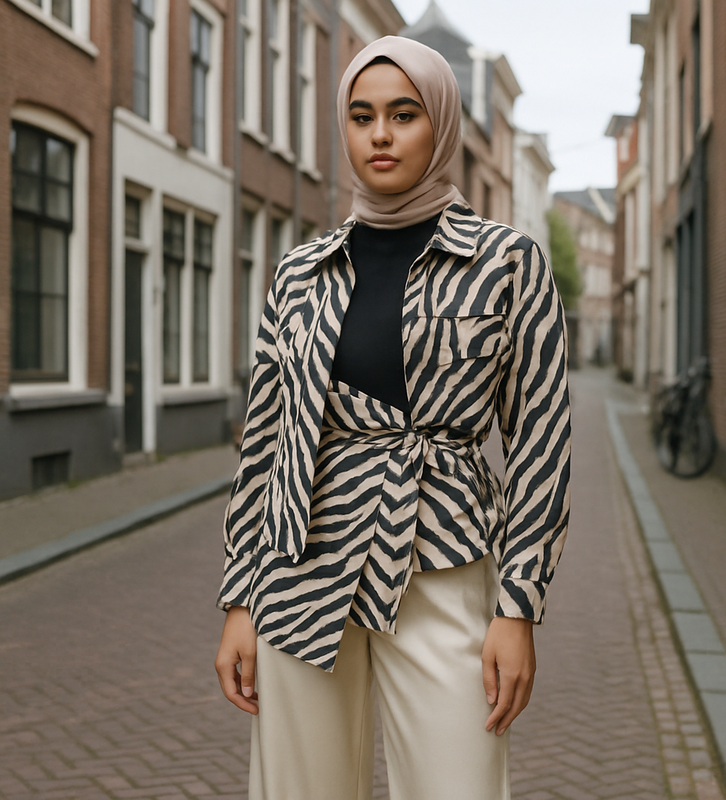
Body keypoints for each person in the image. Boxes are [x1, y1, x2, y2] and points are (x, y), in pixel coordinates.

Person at [214, 35, 571, 800]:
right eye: (362, 114)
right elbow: (267, 445)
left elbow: (542, 444)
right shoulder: (299, 271)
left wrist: (518, 607)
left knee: (459, 787)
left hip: (443, 562)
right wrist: (241, 597)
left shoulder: (508, 262)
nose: (380, 133)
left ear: (438, 123)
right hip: (302, 565)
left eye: (404, 114)